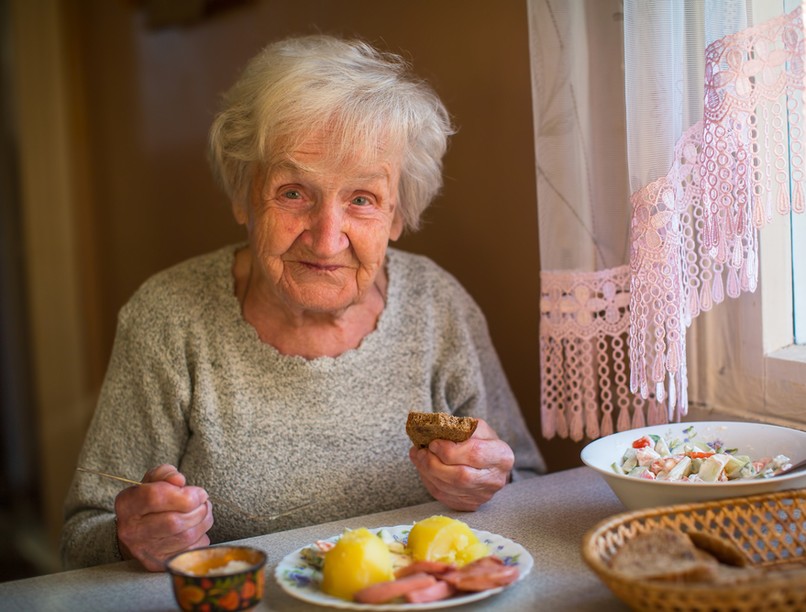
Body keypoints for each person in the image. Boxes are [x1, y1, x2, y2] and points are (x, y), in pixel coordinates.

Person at [61, 34, 545, 572]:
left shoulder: (438, 305)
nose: (325, 237)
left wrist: (488, 485)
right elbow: (84, 535)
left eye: (362, 199)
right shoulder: (168, 318)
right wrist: (132, 539)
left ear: (398, 215)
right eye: (294, 192)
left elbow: (526, 483)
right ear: (243, 195)